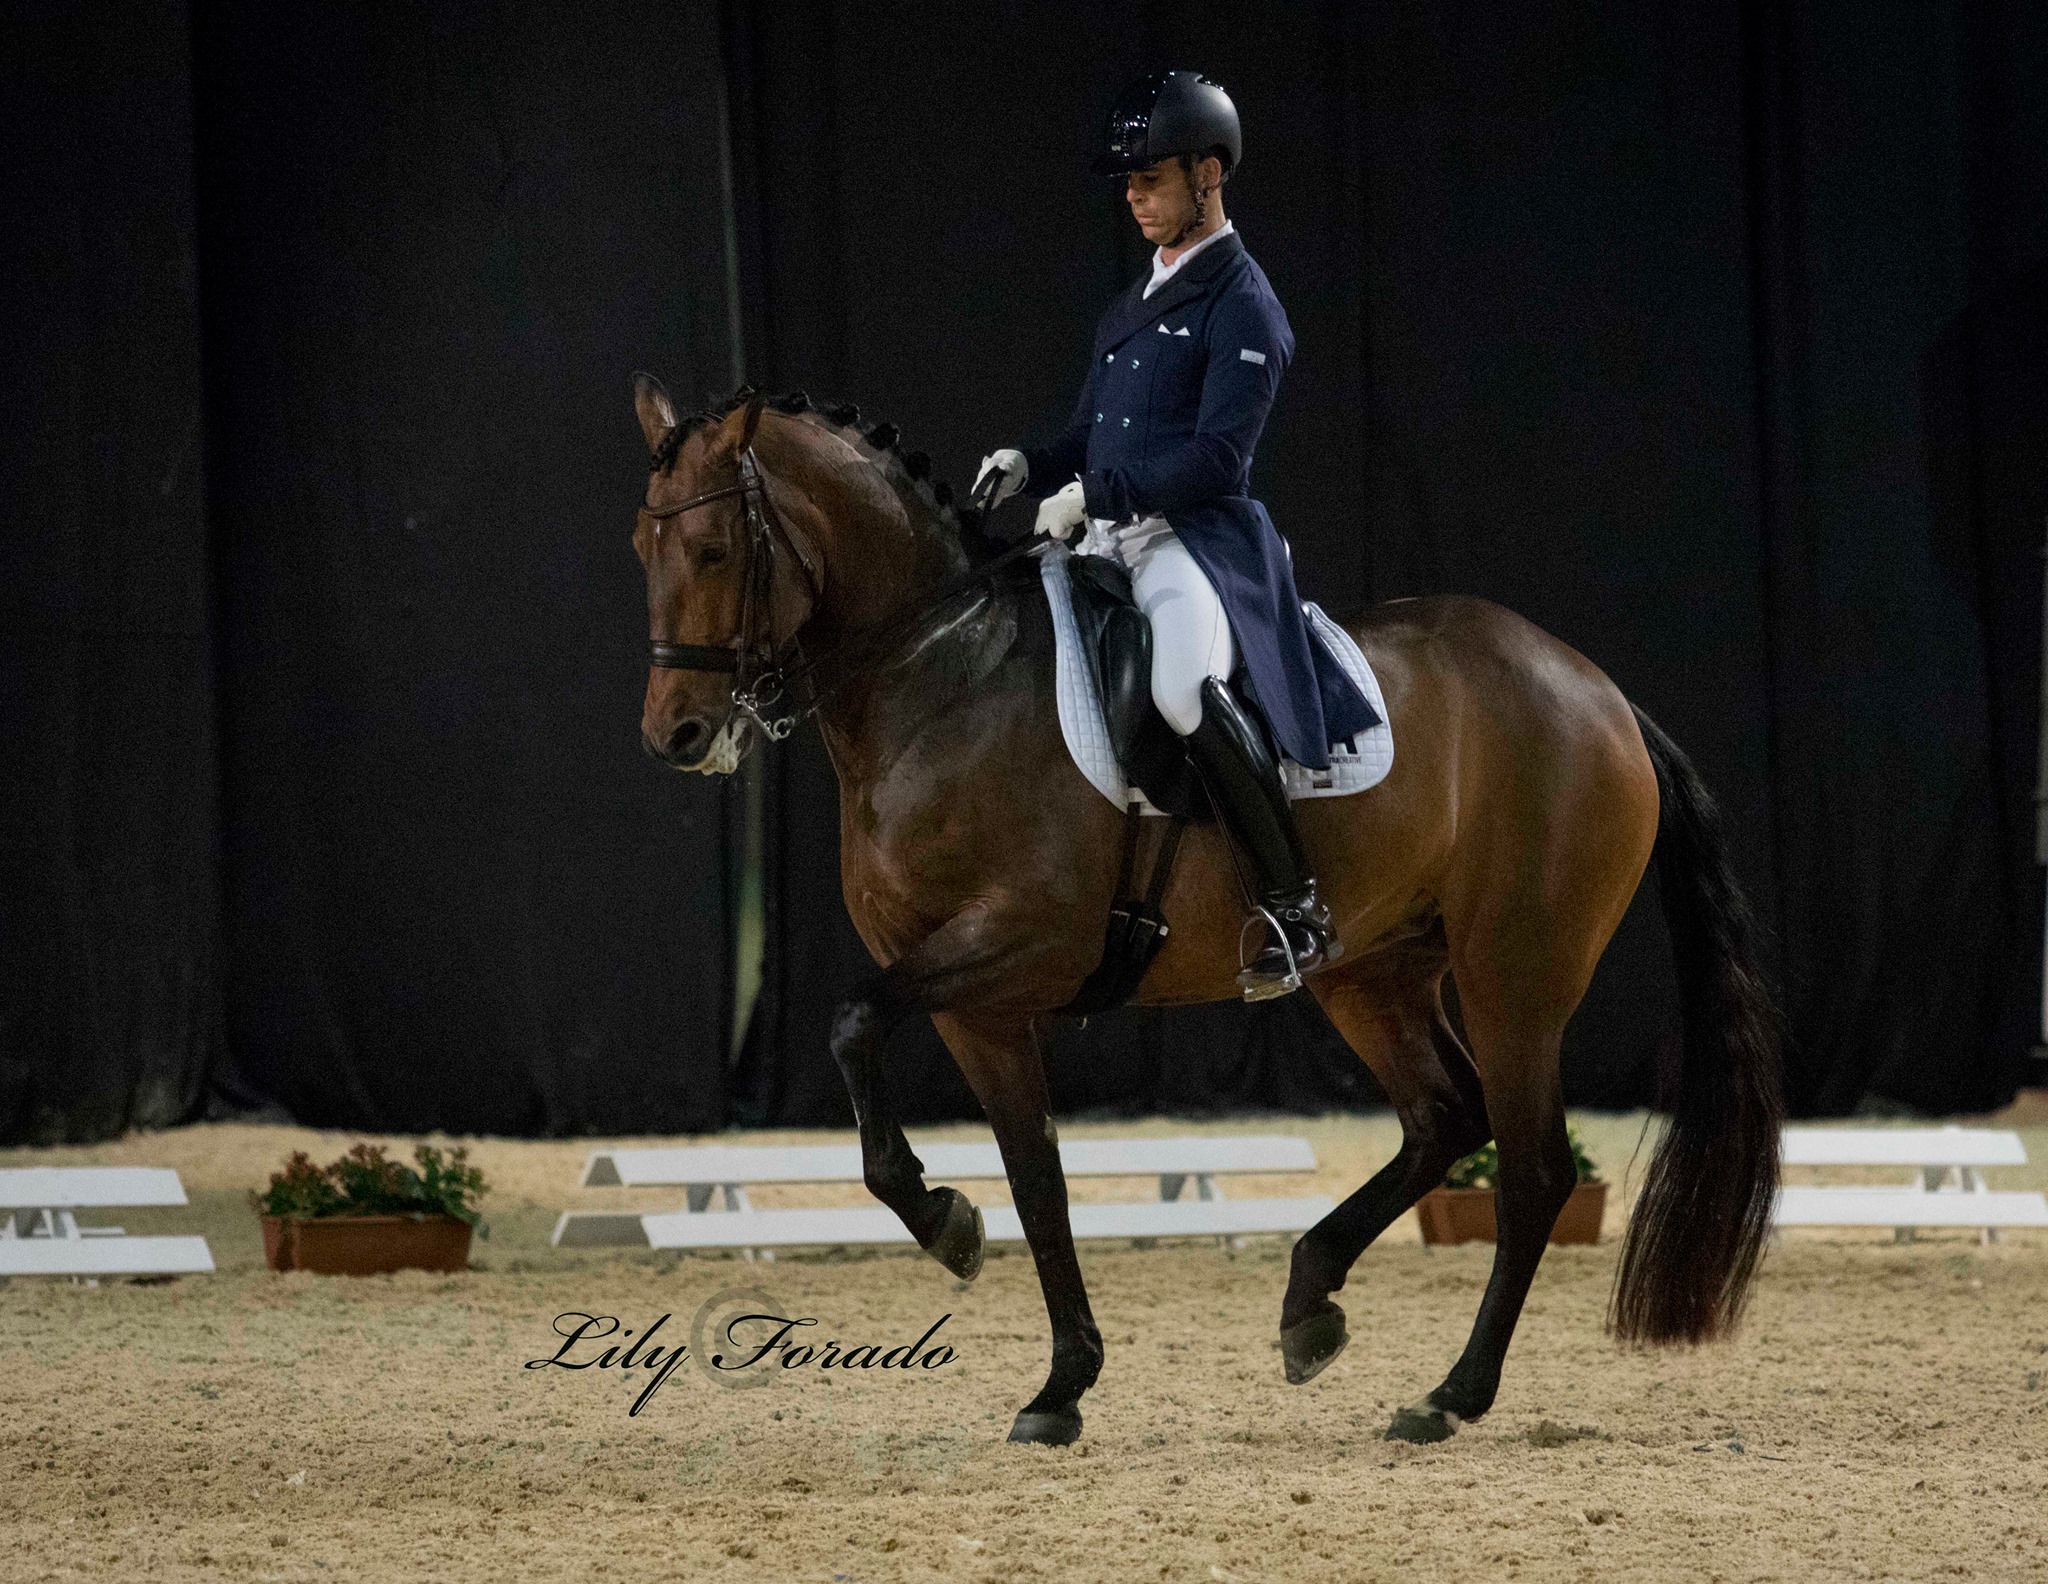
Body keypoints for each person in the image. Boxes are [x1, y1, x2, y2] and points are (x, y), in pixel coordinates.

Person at [975, 70, 1380, 1002]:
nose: (1133, 195)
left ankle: (1294, 902)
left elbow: (1214, 464)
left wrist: (1093, 494)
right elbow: (1089, 431)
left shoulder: (1245, 306)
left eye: (1150, 177)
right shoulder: (1132, 305)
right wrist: (1032, 464)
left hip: (1193, 541)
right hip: (1111, 531)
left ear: (1209, 174)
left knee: (1180, 688)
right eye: (1128, 181)